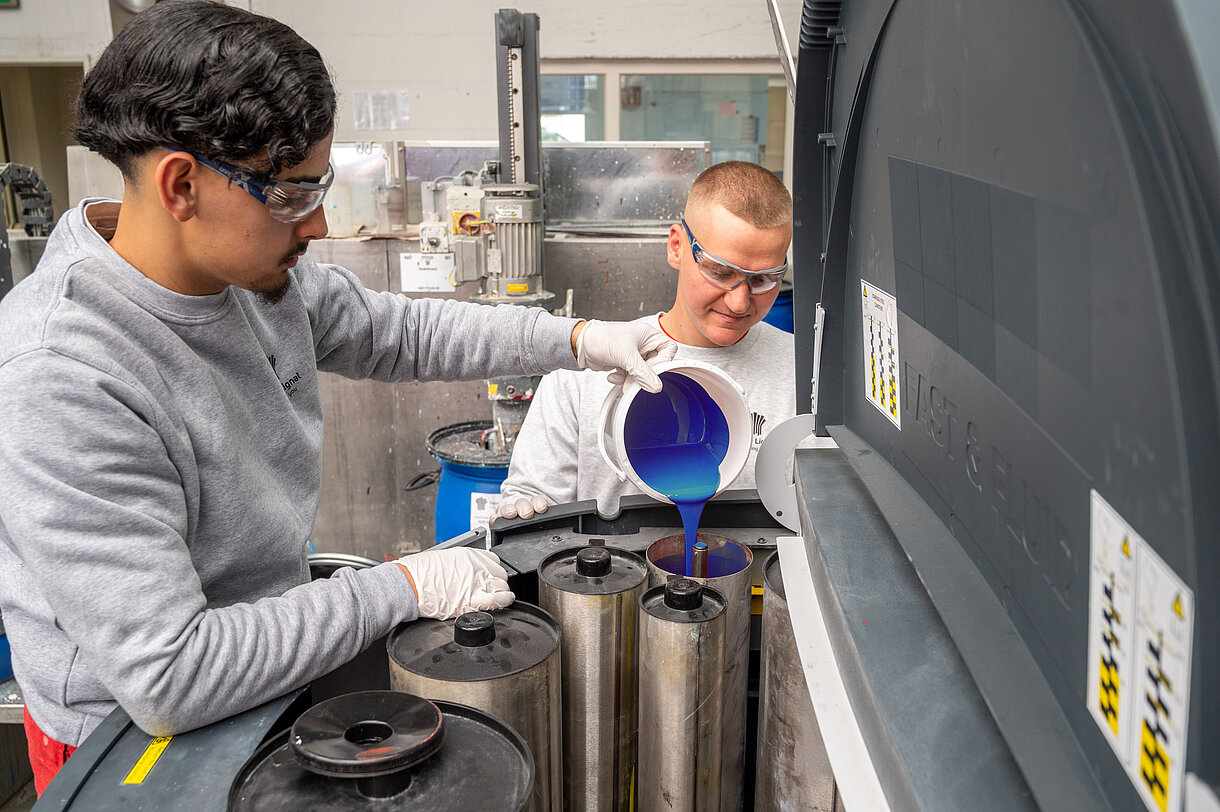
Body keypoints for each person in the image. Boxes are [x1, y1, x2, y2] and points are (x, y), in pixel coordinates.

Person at [0, 1, 675, 795]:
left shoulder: (249, 275)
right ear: (181, 183)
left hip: (265, 663)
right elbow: (169, 673)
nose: (318, 222)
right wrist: (405, 586)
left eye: (320, 184)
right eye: (290, 193)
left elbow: (403, 333)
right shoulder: (64, 374)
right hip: (128, 744)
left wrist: (576, 340)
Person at [499, 161, 797, 520]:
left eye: (763, 279)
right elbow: (533, 503)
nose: (739, 301)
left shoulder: (803, 375)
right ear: (676, 247)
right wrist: (521, 513)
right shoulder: (582, 373)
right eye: (720, 272)